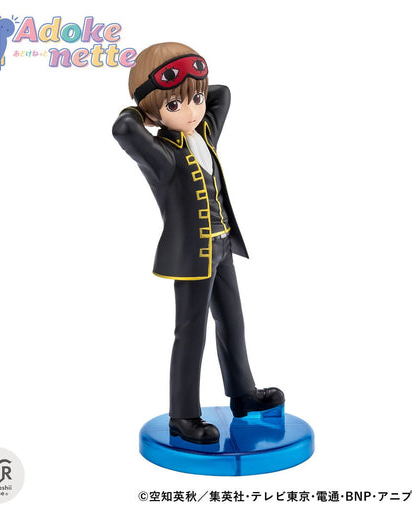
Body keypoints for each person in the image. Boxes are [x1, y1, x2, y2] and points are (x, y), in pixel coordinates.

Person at [112, 42, 284, 444]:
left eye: (196, 99)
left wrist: (191, 88)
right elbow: (123, 129)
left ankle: (242, 394)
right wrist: (144, 108)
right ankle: (183, 415)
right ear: (154, 113)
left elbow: (222, 93)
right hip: (192, 256)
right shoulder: (162, 155)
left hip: (222, 247)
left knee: (233, 322)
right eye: (176, 105)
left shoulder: (205, 132)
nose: (192, 111)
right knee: (191, 333)